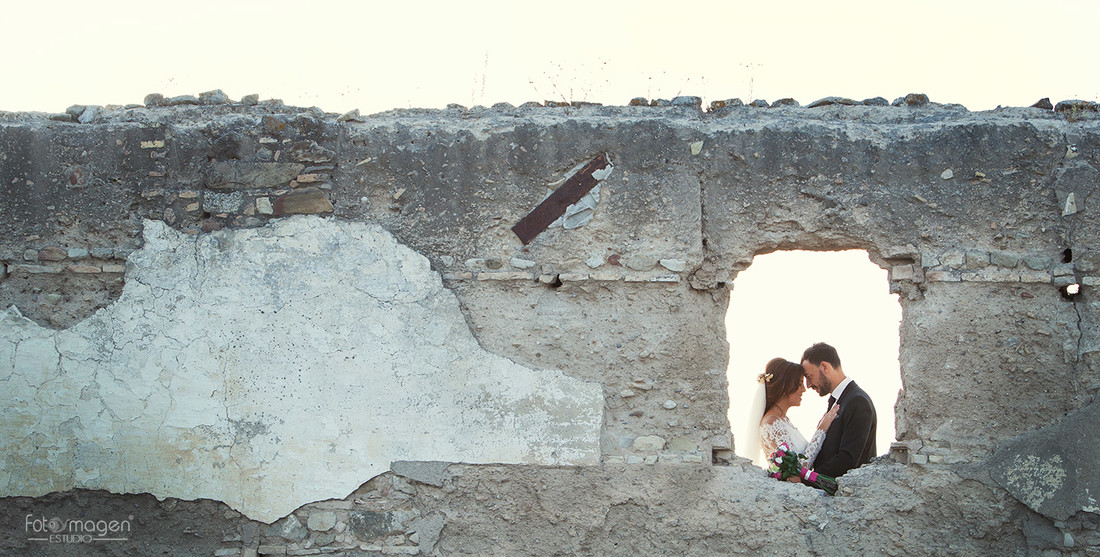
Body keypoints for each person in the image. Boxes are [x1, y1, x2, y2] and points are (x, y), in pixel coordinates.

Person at [752, 357, 840, 478]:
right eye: (799, 384)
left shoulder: (783, 420)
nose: (803, 389)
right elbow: (797, 469)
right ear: (785, 387)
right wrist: (821, 430)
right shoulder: (771, 423)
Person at [801, 342, 877, 477]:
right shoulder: (838, 400)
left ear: (825, 367)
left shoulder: (858, 401)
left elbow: (847, 459)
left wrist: (806, 478)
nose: (808, 385)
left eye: (809, 376)